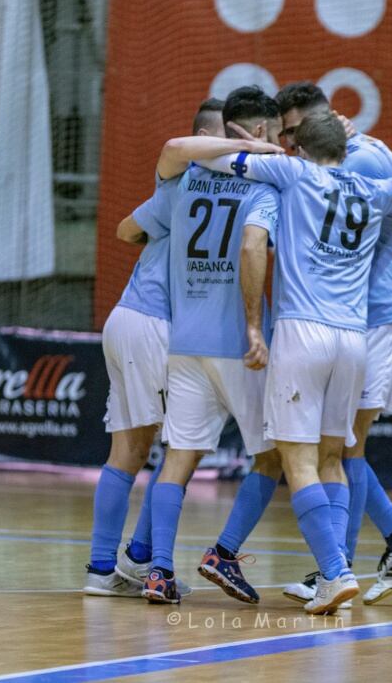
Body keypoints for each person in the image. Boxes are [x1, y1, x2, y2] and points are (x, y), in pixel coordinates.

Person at [199, 111, 392, 614]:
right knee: (332, 458)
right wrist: (374, 141)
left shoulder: (292, 173)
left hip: (303, 333)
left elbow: (217, 161)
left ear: (298, 148)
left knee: (297, 460)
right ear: (346, 151)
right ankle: (338, 567)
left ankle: (335, 572)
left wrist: (260, 150)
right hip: (353, 338)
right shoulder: (372, 189)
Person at [120, 88, 284, 605]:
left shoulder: (183, 181)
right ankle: (225, 552)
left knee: (177, 459)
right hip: (236, 343)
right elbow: (253, 249)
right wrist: (256, 327)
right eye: (275, 135)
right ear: (258, 134)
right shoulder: (266, 186)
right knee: (275, 454)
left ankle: (159, 573)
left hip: (184, 341)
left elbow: (132, 228)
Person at [275, 82, 392, 606]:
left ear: (324, 123)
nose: (288, 142)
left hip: (380, 313)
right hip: (360, 318)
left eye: (295, 131)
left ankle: (338, 567)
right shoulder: (350, 156)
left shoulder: (351, 162)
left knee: (344, 448)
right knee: (339, 447)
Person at [83, 98, 227, 597]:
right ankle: (139, 561)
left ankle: (106, 568)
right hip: (153, 324)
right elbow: (128, 228)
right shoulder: (195, 184)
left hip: (125, 316)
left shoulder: (175, 191)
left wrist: (155, 235)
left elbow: (126, 229)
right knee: (173, 451)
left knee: (129, 450)